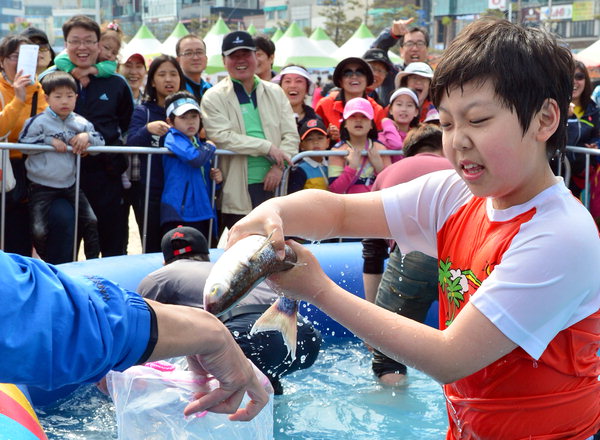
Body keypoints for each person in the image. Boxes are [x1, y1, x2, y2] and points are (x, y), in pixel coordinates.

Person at [227, 18, 600, 439]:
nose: (458, 141)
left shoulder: (561, 234)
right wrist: (275, 212)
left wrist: (317, 289)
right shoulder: (454, 194)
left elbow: (451, 357)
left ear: (545, 119)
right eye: (447, 122)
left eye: (477, 120)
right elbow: (339, 213)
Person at [0, 247, 270, 419]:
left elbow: (36, 316)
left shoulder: (162, 275)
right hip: (281, 324)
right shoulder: (213, 267)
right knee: (260, 391)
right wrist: (212, 335)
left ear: (165, 259)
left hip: (233, 329)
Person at [138, 225, 322, 395]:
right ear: (207, 255)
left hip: (247, 332)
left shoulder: (159, 277)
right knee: (264, 375)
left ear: (165, 261)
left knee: (198, 385)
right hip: (304, 335)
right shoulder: (222, 270)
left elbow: (139, 326)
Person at [362, 124, 452, 386]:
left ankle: (394, 406)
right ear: (443, 146)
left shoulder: (389, 173)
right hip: (463, 256)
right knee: (474, 350)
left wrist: (373, 322)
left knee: (389, 355)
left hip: (412, 257)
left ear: (407, 153)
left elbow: (373, 250)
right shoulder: (459, 171)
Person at [40, 15, 134, 257]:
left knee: (111, 249)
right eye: (75, 41)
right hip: (59, 180)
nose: (82, 47)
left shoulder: (117, 83)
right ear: (65, 44)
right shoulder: (48, 80)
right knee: (61, 251)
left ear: (98, 44)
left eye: (89, 41)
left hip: (106, 177)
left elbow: (125, 124)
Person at [201, 31, 298, 232]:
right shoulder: (213, 97)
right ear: (223, 60)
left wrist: (279, 167)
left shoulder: (275, 91)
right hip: (235, 187)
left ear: (256, 56)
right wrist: (267, 147)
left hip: (276, 185)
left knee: (278, 248)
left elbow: (291, 135)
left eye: (246, 54)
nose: (241, 61)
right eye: (234, 56)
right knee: (243, 250)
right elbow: (221, 136)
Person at [18, 71, 103, 261]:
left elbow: (101, 144)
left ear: (76, 98)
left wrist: (86, 138)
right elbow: (24, 144)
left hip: (70, 184)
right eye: (58, 96)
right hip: (41, 186)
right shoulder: (37, 122)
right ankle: (43, 263)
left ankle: (92, 263)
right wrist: (48, 141)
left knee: (91, 221)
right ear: (47, 98)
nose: (64, 101)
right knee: (39, 230)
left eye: (69, 96)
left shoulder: (81, 123)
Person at [126, 55, 186, 253]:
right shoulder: (144, 111)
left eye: (173, 74)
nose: (168, 79)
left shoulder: (189, 109)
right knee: (152, 243)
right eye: (162, 74)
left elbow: (202, 138)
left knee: (180, 242)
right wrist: (147, 129)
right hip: (151, 188)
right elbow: (131, 142)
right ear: (152, 80)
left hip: (181, 187)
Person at [0, 35, 47, 256]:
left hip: (30, 175)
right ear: (2, 61)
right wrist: (18, 99)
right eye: (14, 56)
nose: (20, 62)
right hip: (3, 171)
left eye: (26, 57)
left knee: (20, 242)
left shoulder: (42, 91)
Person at [160, 91, 217, 239]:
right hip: (179, 211)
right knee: (179, 258)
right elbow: (195, 159)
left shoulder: (197, 142)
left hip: (200, 210)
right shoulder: (172, 137)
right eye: (183, 117)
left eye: (194, 116)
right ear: (170, 121)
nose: (190, 122)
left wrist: (216, 178)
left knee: (202, 258)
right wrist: (209, 146)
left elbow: (202, 175)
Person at [315, 57, 386, 143]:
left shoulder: (377, 110)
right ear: (340, 81)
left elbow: (380, 142)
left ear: (367, 80)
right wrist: (328, 136)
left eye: (360, 72)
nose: (354, 76)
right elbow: (314, 139)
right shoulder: (324, 105)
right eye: (347, 73)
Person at [328, 97, 390, 194]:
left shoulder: (381, 148)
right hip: (348, 206)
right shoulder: (337, 151)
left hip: (374, 205)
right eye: (353, 116)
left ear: (371, 125)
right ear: (345, 123)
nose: (358, 120)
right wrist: (352, 167)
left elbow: (390, 187)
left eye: (364, 117)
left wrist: (379, 168)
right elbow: (334, 190)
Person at [371, 18, 430, 105]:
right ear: (401, 51)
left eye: (420, 43)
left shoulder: (435, 79)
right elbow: (375, 54)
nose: (415, 48)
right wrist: (392, 34)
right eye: (409, 44)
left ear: (427, 50)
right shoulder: (392, 74)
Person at [564, 60, 599, 199]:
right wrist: (564, 117)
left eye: (579, 77)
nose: (575, 81)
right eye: (570, 77)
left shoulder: (592, 108)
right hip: (556, 174)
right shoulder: (553, 106)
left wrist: (595, 144)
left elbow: (596, 135)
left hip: (581, 177)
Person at [53, 22, 123, 88]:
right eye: (106, 48)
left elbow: (110, 68)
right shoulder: (78, 56)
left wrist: (90, 70)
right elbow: (59, 60)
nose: (109, 54)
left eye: (114, 53)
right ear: (96, 43)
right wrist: (75, 71)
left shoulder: (110, 65)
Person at [377, 87, 420, 163]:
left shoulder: (419, 137)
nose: (404, 109)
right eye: (399, 104)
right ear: (390, 109)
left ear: (416, 112)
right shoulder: (381, 137)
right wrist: (387, 123)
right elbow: (396, 145)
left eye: (409, 105)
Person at [288, 118, 329, 193]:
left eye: (320, 138)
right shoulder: (299, 170)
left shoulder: (331, 164)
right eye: (310, 139)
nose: (315, 142)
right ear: (301, 145)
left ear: (327, 142)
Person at [272, 64, 318, 130]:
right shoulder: (269, 117)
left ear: (307, 88)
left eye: (299, 81)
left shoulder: (315, 120)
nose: (293, 85)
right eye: (287, 81)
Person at [176, 34, 212, 104]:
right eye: (188, 53)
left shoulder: (210, 89)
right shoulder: (175, 89)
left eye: (199, 52)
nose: (195, 57)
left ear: (206, 58)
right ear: (178, 60)